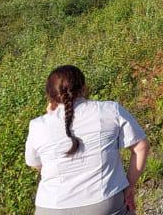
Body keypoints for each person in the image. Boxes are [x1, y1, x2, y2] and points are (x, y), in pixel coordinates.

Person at [25, 65, 150, 215]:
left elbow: (37, 164)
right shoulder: (110, 110)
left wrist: (48, 117)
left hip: (51, 206)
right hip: (103, 202)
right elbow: (141, 147)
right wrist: (129, 187)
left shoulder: (37, 125)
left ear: (50, 96)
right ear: (84, 88)